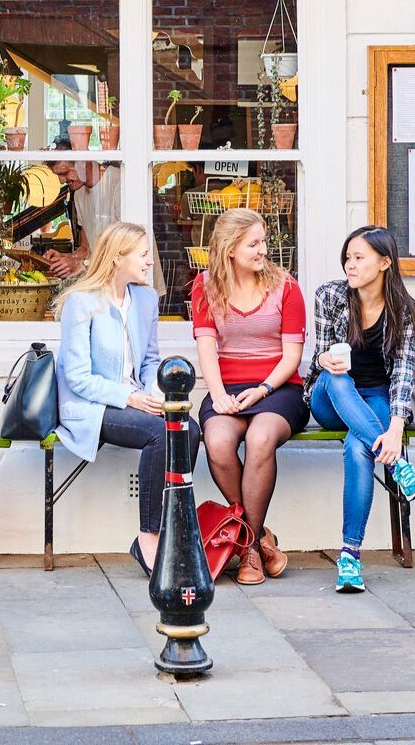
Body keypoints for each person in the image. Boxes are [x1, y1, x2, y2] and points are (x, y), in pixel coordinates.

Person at [51, 221, 199, 576]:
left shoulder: (146, 300)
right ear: (118, 258)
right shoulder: (81, 303)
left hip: (134, 399)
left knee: (189, 430)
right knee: (160, 433)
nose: (151, 262)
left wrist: (152, 394)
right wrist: (129, 398)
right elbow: (76, 377)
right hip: (90, 407)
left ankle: (171, 528)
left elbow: (149, 361)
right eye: (144, 254)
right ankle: (149, 537)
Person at [307, 225, 415, 594]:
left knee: (358, 446)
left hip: (374, 396)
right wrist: (325, 358)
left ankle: (349, 557)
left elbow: (404, 375)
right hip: (328, 394)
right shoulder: (330, 296)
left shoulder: (404, 311)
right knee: (337, 379)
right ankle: (398, 467)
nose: (350, 264)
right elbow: (317, 358)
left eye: (359, 258)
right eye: (348, 257)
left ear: (384, 263)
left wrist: (395, 429)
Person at [193, 210, 308, 585]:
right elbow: (206, 349)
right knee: (218, 441)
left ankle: (248, 553)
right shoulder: (205, 286)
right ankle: (256, 540)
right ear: (230, 249)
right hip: (227, 388)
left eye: (263, 241)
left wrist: (263, 389)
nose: (263, 250)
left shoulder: (285, 286)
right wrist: (219, 395)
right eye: (253, 244)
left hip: (278, 389)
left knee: (260, 439)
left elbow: (292, 356)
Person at [43, 160, 121, 279]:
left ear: (84, 161)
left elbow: (127, 246)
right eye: (58, 175)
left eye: (65, 172)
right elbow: (86, 248)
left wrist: (82, 264)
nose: (61, 180)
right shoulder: (79, 195)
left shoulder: (119, 182)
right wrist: (68, 258)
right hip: (105, 282)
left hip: (132, 284)